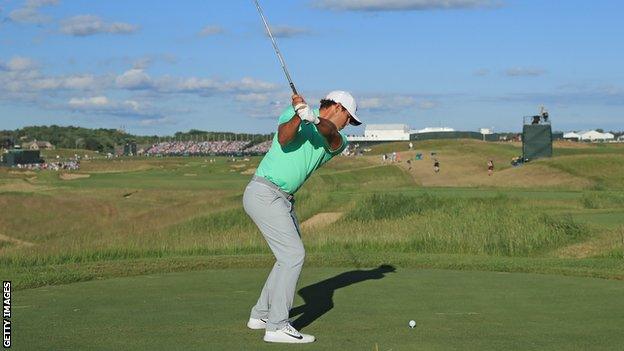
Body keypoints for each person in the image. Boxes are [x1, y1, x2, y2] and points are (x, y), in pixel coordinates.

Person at [243, 90, 361, 344]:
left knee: (286, 257)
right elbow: (285, 139)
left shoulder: (339, 140)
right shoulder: (292, 113)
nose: (349, 124)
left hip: (282, 199)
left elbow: (331, 135)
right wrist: (299, 115)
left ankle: (260, 315)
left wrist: (315, 119)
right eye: (349, 117)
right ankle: (276, 326)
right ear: (338, 107)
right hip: (264, 192)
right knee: (293, 255)